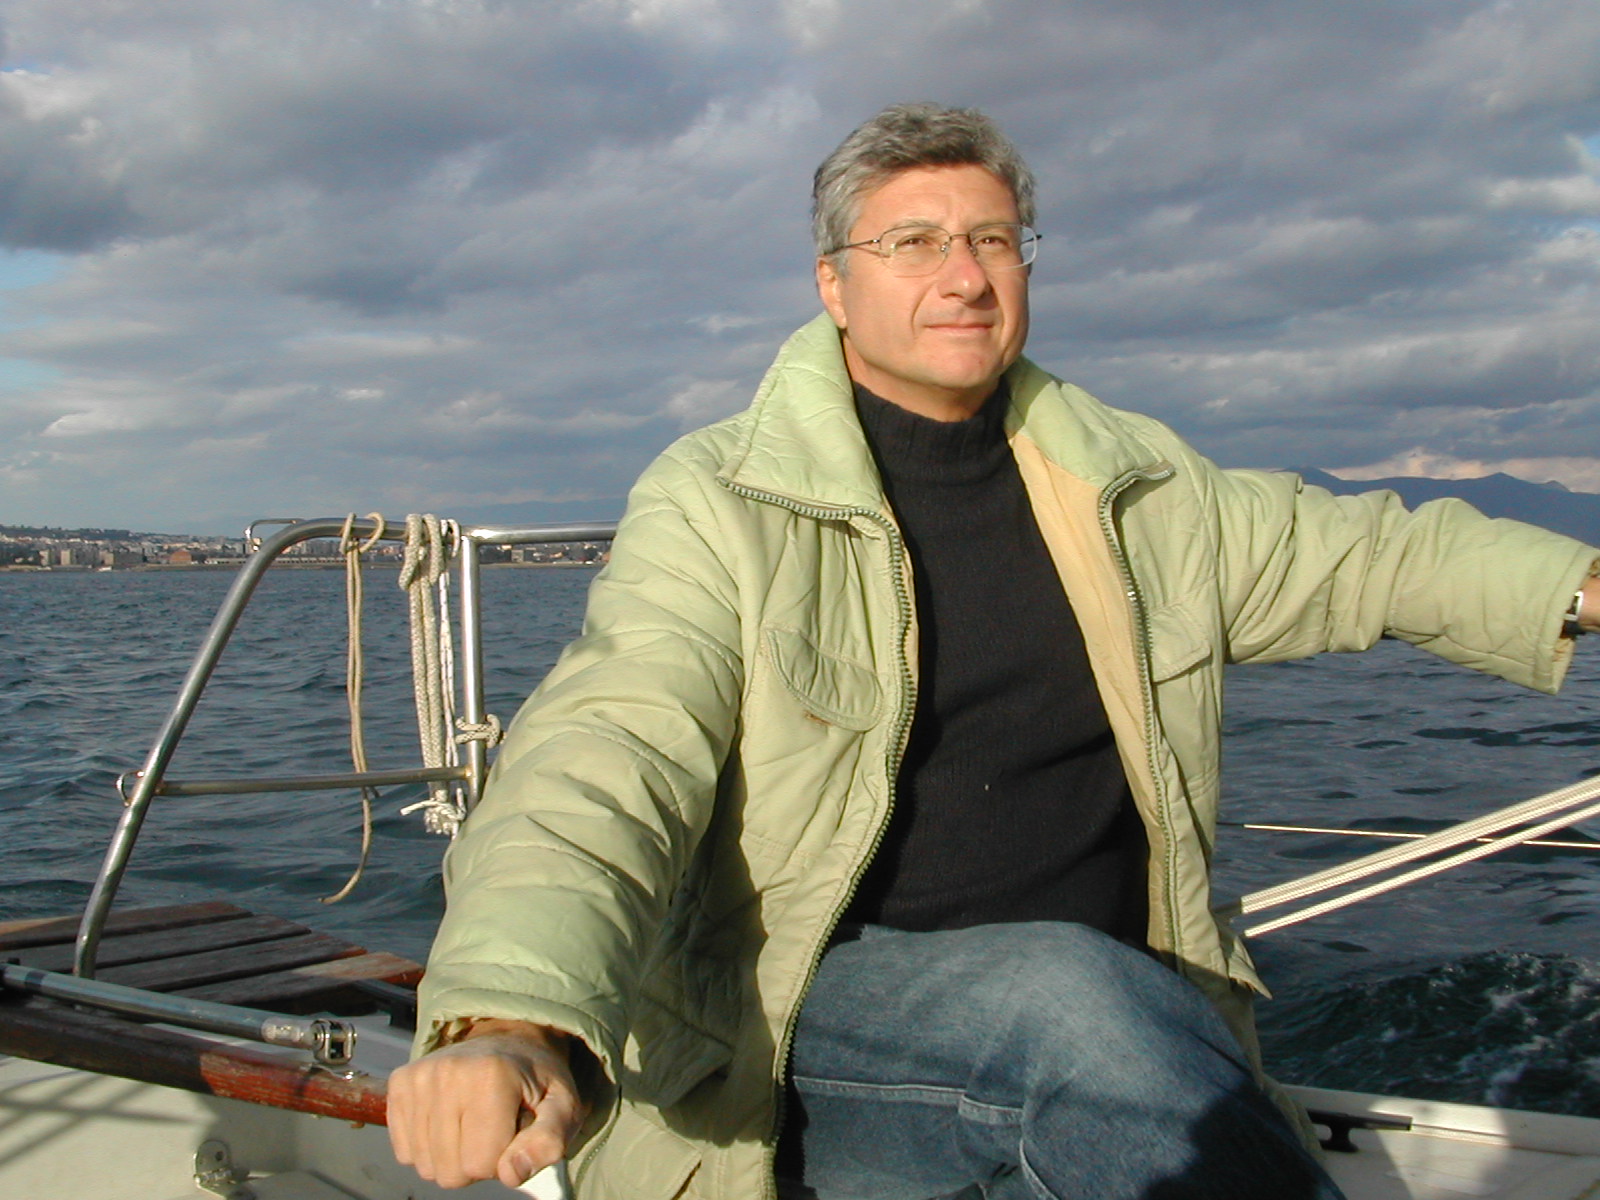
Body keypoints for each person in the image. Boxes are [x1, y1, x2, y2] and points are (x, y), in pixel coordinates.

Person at [387, 103, 1600, 1199]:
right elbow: (609, 757)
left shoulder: (1132, 487)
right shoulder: (721, 503)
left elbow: (1369, 553)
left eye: (993, 240)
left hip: (1113, 1039)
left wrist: (1582, 587)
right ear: (832, 284)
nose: (963, 276)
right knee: (1068, 1001)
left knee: (1096, 1015)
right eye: (913, 243)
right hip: (810, 1023)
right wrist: (509, 1017)